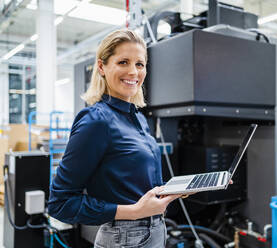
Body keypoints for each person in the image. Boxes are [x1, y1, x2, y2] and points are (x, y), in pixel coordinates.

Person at [48, 29, 184, 248]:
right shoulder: (96, 120)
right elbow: (60, 204)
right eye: (123, 62)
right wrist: (135, 211)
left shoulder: (137, 118)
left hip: (155, 231)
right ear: (101, 67)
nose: (133, 71)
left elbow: (134, 184)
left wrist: (173, 190)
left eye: (140, 64)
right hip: (124, 238)